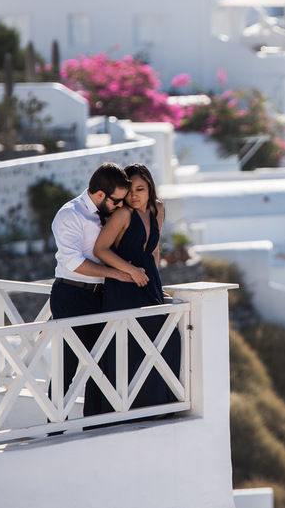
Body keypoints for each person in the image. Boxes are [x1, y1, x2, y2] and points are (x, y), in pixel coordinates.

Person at [49, 162, 134, 418]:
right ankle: (55, 426)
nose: (120, 206)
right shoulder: (70, 215)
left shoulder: (105, 213)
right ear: (100, 195)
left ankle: (95, 423)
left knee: (102, 364)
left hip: (102, 297)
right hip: (72, 295)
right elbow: (73, 263)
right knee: (67, 366)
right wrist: (116, 273)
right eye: (117, 201)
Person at [94, 163, 180, 410]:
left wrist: (157, 284)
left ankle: (161, 402)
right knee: (130, 345)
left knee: (166, 338)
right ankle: (132, 407)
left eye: (140, 189)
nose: (134, 195)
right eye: (130, 189)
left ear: (150, 188)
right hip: (124, 287)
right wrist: (130, 270)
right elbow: (99, 249)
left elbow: (153, 250)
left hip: (148, 285)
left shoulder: (157, 209)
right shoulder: (123, 215)